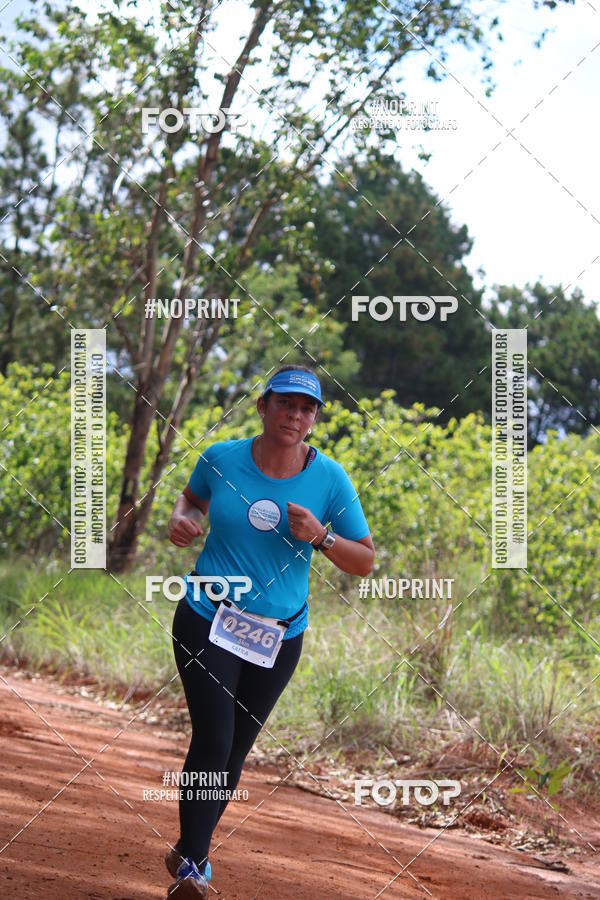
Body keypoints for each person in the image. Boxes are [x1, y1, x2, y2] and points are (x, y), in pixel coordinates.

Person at [165, 364, 374, 898]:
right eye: (285, 404)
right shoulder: (222, 458)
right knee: (215, 737)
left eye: (306, 409)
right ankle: (194, 866)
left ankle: (192, 851)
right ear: (263, 407)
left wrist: (323, 538)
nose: (295, 416)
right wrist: (182, 520)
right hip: (208, 616)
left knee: (236, 750)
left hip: (278, 635)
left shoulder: (331, 480)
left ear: (314, 420)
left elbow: (365, 561)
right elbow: (192, 497)